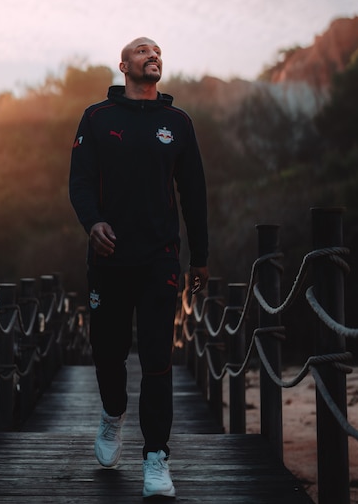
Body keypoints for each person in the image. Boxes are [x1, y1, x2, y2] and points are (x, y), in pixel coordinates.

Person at [69, 36, 209, 499]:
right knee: (107, 352)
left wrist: (201, 256)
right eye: (142, 49)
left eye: (158, 51)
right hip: (109, 259)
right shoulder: (97, 118)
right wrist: (92, 224)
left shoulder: (178, 123)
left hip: (159, 259)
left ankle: (156, 457)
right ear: (124, 65)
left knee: (156, 359)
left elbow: (194, 195)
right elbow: (81, 182)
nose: (154, 54)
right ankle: (113, 416)